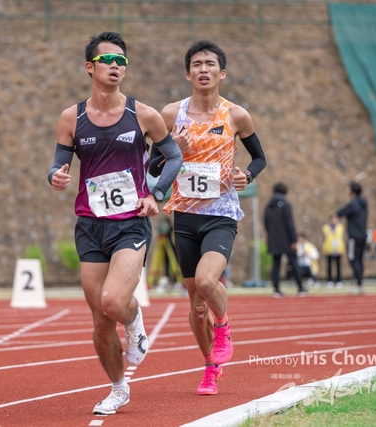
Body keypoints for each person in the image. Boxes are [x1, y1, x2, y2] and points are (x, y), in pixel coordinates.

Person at [48, 31, 183, 415]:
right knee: (99, 316)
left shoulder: (143, 115)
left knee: (113, 302)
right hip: (91, 224)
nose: (115, 66)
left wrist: (156, 194)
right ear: (90, 67)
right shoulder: (71, 118)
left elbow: (174, 157)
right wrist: (55, 176)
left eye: (121, 61)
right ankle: (118, 388)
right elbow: (58, 165)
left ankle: (134, 317)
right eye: (107, 60)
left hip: (130, 223)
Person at [151, 39, 267, 395]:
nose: (204, 69)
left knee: (206, 281)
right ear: (188, 74)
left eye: (210, 64)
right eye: (197, 64)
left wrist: (247, 175)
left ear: (222, 72)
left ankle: (224, 326)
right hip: (184, 215)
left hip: (221, 213)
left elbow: (259, 159)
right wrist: (174, 150)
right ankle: (210, 368)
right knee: (197, 307)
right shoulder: (170, 114)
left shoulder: (236, 115)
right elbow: (151, 166)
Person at [264, 183, 306, 299]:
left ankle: (276, 289)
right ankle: (300, 288)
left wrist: (271, 235)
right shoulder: (286, 205)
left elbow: (266, 222)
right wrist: (293, 240)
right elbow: (289, 223)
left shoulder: (269, 206)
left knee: (276, 264)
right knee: (294, 262)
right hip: (287, 239)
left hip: (273, 239)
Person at [337, 181, 368, 295]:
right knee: (359, 260)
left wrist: (348, 204)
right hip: (363, 235)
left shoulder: (353, 204)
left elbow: (340, 213)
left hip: (354, 236)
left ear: (352, 191)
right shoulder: (363, 203)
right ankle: (360, 283)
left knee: (353, 259)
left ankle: (359, 284)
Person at [322, 214, 345, 288]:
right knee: (329, 265)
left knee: (338, 265)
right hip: (329, 248)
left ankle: (339, 280)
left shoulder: (340, 227)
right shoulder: (325, 228)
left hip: (338, 248)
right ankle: (329, 280)